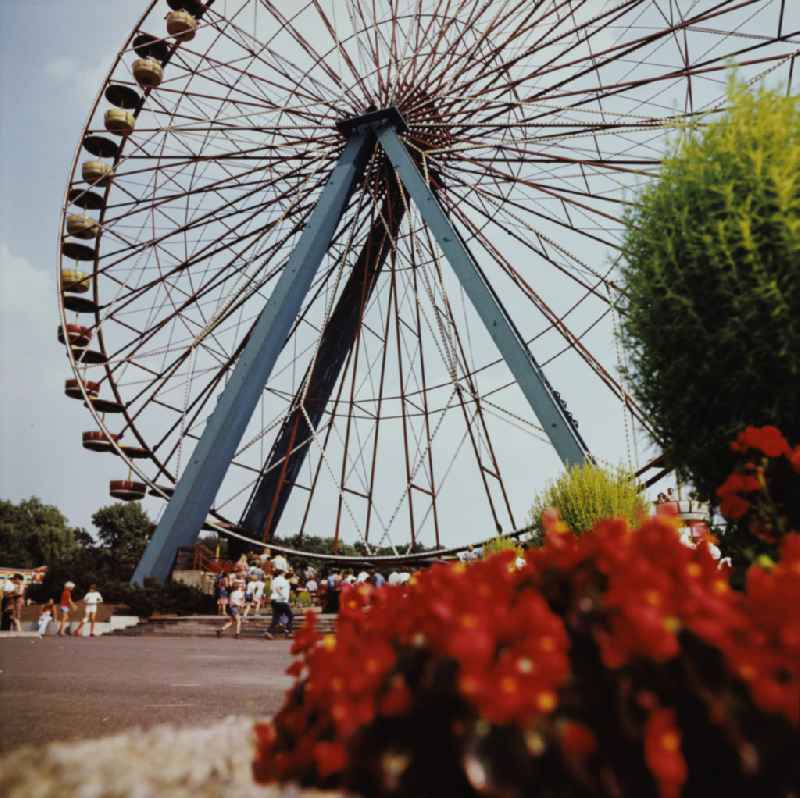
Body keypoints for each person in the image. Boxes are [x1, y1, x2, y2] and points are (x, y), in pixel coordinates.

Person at [264, 569, 293, 639]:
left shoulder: (274, 580)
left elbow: (272, 589)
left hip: (274, 600)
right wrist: (283, 596)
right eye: (284, 573)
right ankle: (289, 632)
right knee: (290, 616)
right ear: (282, 573)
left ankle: (269, 632)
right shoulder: (282, 580)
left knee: (276, 618)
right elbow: (278, 589)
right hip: (281, 600)